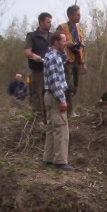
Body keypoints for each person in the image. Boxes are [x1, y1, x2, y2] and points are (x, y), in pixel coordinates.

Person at [42, 31, 72, 171]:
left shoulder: (50, 55)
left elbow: (65, 60)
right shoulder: (54, 58)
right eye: (63, 41)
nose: (65, 43)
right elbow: (55, 81)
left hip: (49, 95)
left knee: (51, 127)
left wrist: (66, 48)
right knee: (61, 127)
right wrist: (62, 99)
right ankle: (60, 161)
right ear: (55, 42)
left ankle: (48, 158)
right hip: (55, 95)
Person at [58, 5, 87, 116]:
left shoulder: (79, 30)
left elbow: (81, 48)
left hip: (77, 60)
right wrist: (66, 43)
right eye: (77, 15)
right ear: (70, 15)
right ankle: (69, 111)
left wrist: (83, 63)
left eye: (79, 14)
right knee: (68, 86)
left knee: (75, 86)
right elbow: (55, 43)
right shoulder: (62, 27)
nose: (79, 17)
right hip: (66, 60)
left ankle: (67, 108)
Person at [24, 12, 52, 118]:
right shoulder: (32, 36)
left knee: (48, 92)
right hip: (37, 69)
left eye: (50, 22)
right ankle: (37, 116)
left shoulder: (51, 36)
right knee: (37, 92)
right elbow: (27, 51)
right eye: (47, 22)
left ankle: (47, 115)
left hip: (49, 69)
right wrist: (34, 56)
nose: (50, 24)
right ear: (41, 22)